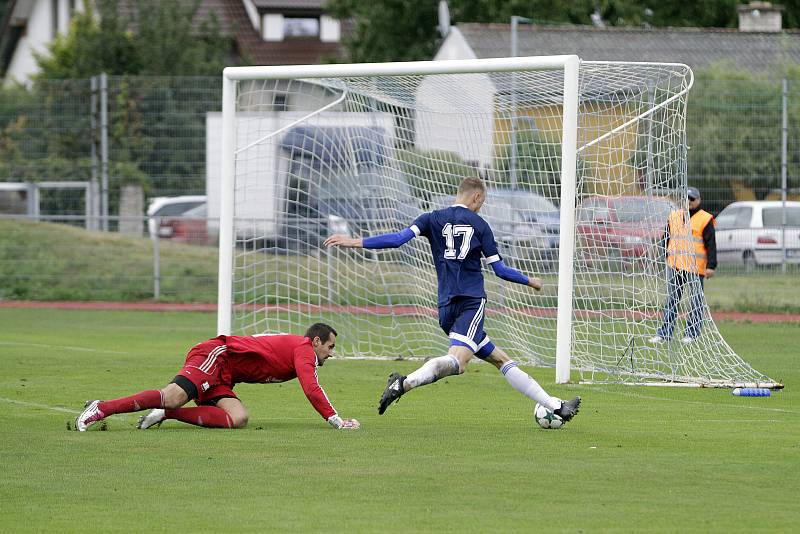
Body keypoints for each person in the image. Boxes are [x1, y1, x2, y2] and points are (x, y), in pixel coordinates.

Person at [324, 177, 581, 422]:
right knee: (458, 362)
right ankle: (403, 383)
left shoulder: (432, 218)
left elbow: (398, 239)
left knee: (500, 359)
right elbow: (500, 270)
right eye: (483, 201)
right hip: (471, 302)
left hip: (446, 307)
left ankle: (557, 407)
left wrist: (353, 242)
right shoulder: (481, 226)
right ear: (477, 196)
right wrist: (530, 281)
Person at [74, 323, 360, 431]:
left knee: (239, 418)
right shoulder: (304, 351)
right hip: (217, 354)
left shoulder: (302, 350)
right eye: (330, 346)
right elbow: (311, 389)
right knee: (173, 395)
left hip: (226, 375)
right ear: (316, 342)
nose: (331, 353)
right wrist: (335, 420)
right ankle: (101, 408)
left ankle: (166, 415)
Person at [650, 186, 717, 344]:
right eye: (686, 199)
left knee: (695, 301)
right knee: (672, 300)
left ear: (698, 200)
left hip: (695, 267)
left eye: (692, 199)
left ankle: (692, 333)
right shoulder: (673, 216)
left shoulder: (705, 218)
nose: (689, 202)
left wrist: (711, 266)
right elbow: (666, 237)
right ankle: (664, 333)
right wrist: (666, 255)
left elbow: (711, 244)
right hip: (676, 265)